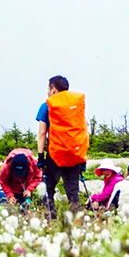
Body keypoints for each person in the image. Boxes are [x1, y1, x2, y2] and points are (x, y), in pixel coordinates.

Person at [36, 75, 89, 216]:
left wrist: (41, 157)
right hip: (74, 155)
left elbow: (42, 133)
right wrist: (82, 158)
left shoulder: (47, 105)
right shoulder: (76, 105)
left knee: (48, 189)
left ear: (53, 89)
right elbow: (84, 131)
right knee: (73, 190)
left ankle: (50, 218)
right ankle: (77, 220)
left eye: (48, 88)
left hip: (55, 154)